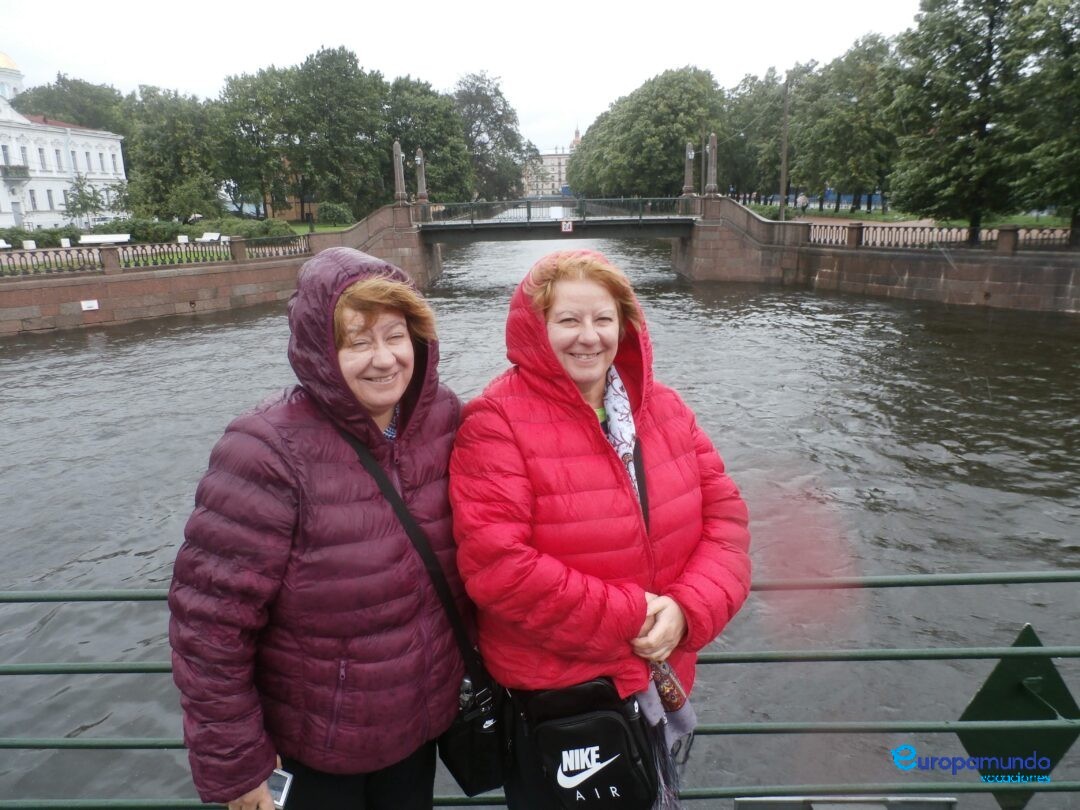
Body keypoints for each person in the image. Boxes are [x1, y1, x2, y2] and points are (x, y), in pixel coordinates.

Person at [449, 249, 751, 808]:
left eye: (602, 319)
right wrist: (635, 616)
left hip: (658, 691)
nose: (588, 337)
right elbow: (497, 568)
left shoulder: (666, 409)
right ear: (537, 330)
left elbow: (726, 521)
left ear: (625, 326)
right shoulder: (495, 421)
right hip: (565, 710)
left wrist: (687, 609)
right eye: (568, 320)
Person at [169, 247, 464, 810]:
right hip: (313, 752)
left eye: (395, 335)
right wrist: (237, 765)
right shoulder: (265, 450)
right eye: (357, 341)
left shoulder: (443, 419)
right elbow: (208, 627)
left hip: (416, 732)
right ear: (320, 352)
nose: (384, 359)